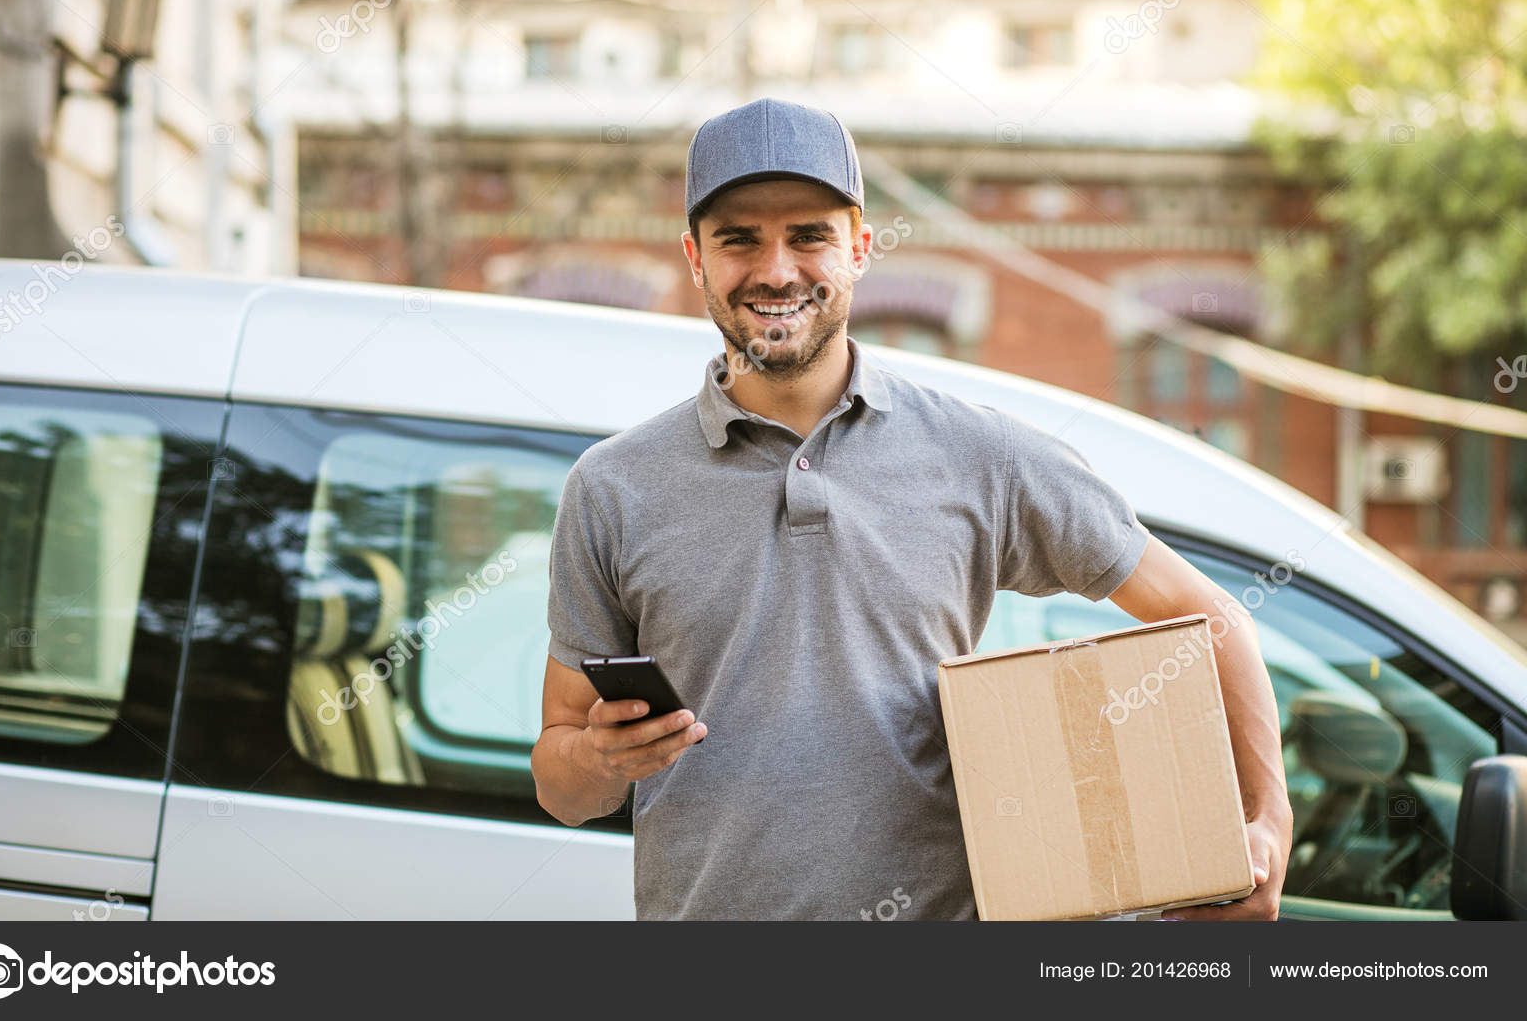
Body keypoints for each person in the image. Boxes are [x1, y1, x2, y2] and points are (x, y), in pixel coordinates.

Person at [529, 97, 1291, 920]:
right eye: (739, 238)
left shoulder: (981, 455)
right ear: (695, 257)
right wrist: (604, 760)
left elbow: (1210, 616)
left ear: (860, 247)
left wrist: (1266, 824)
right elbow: (561, 784)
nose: (776, 270)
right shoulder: (613, 487)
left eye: (810, 234)